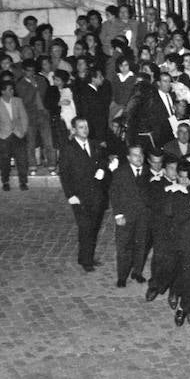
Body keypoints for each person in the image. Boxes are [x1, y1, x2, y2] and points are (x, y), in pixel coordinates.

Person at [58, 116, 110, 272]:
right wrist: (70, 195)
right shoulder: (68, 148)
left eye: (86, 126)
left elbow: (102, 161)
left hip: (96, 194)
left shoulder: (94, 145)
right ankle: (86, 260)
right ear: (73, 130)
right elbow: (65, 174)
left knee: (93, 227)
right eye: (81, 127)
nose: (85, 129)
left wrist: (102, 169)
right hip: (79, 196)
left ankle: (86, 256)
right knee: (86, 227)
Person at [108, 143, 151, 287]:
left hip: (143, 216)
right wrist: (118, 214)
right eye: (135, 155)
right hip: (126, 216)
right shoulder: (121, 172)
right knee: (124, 246)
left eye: (141, 155)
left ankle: (137, 272)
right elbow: (114, 194)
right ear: (128, 157)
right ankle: (122, 276)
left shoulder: (148, 171)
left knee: (141, 244)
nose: (139, 158)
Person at [0, 80, 30, 190]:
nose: (12, 91)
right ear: (3, 91)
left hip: (18, 134)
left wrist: (24, 130)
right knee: (5, 161)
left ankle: (23, 182)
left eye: (12, 89)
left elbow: (24, 117)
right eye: (9, 89)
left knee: (22, 159)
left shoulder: (18, 101)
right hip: (4, 136)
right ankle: (5, 182)